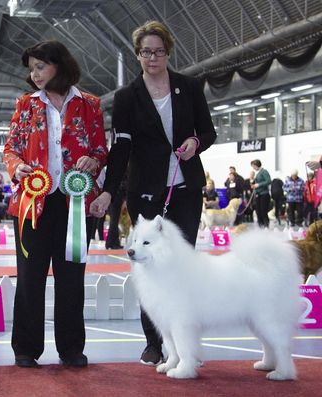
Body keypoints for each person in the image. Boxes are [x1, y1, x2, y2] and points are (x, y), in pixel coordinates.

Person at [89, 20, 216, 366]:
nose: (153, 57)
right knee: (148, 267)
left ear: (168, 51)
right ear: (137, 54)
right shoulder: (127, 97)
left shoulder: (189, 87)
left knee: (181, 267)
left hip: (185, 188)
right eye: (146, 52)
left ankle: (185, 345)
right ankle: (153, 343)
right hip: (145, 191)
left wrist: (195, 142)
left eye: (159, 51)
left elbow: (208, 131)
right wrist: (108, 192)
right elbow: (120, 149)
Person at [4, 40, 108, 368]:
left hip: (74, 204)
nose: (34, 74)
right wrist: (15, 166)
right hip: (33, 203)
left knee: (72, 279)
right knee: (30, 278)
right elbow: (11, 148)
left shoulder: (90, 104)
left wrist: (94, 160)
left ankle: (71, 348)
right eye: (31, 68)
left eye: (40, 66)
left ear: (58, 65)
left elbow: (101, 149)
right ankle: (25, 348)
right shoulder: (25, 104)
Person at [250, 159, 271, 228]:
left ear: (256, 165)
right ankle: (260, 225)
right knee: (258, 211)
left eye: (253, 166)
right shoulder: (257, 173)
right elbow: (254, 183)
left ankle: (266, 225)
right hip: (258, 194)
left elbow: (268, 181)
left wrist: (259, 185)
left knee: (263, 211)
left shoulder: (264, 172)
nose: (253, 168)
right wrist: (252, 179)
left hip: (264, 194)